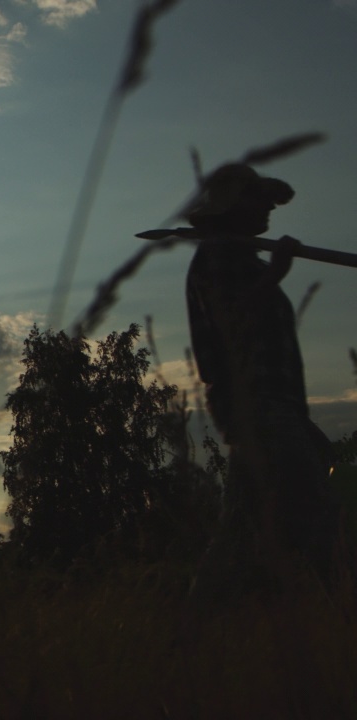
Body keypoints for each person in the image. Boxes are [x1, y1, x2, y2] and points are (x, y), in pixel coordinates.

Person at [184, 163, 341, 590]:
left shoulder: (241, 260)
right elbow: (230, 324)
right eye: (258, 200)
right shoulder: (218, 258)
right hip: (258, 405)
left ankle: (198, 627)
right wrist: (276, 273)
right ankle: (338, 613)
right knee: (320, 514)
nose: (268, 210)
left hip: (274, 405)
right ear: (232, 208)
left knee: (239, 532)